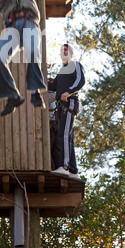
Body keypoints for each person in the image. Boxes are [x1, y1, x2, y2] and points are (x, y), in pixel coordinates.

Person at [48, 44, 85, 180]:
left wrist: (68, 92)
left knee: (63, 136)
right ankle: (73, 171)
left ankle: (64, 167)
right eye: (61, 50)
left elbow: (80, 81)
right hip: (62, 106)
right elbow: (54, 86)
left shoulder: (75, 65)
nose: (63, 52)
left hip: (70, 103)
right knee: (67, 137)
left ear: (70, 53)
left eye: (66, 50)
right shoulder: (61, 71)